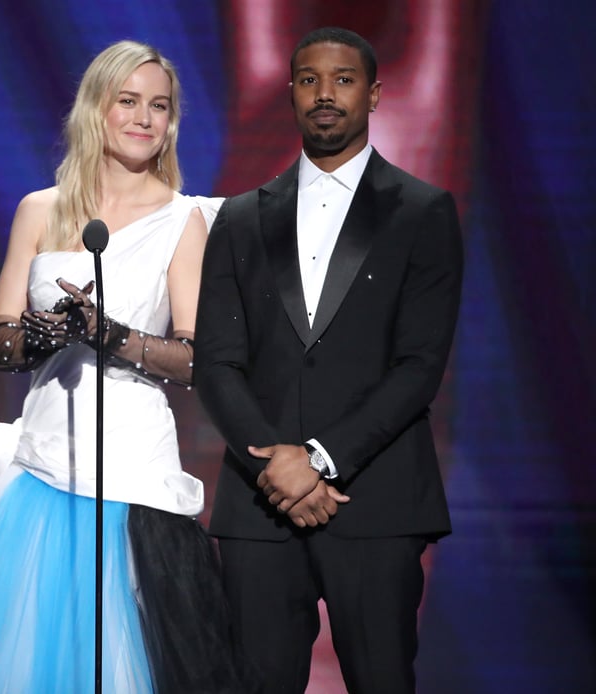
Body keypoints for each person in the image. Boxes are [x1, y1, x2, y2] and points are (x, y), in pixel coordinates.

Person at [0, 40, 248, 693]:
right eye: (129, 101)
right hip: (42, 472)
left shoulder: (184, 222)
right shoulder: (41, 210)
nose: (146, 118)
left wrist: (106, 333)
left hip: (133, 475)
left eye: (160, 106)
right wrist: (44, 334)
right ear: (96, 108)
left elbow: (196, 357)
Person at [194, 26, 463, 694]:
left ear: (373, 94)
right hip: (260, 509)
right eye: (310, 79)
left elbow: (419, 365)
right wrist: (277, 464)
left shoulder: (423, 213)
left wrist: (315, 459)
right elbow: (217, 363)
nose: (325, 94)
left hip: (376, 501)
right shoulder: (239, 218)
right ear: (290, 93)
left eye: (343, 80)